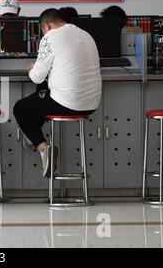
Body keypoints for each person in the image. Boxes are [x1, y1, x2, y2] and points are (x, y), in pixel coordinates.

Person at [13, 9, 102, 178]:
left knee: (21, 108)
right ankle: (32, 133)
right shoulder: (85, 34)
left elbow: (37, 77)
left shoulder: (50, 36)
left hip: (67, 103)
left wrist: (31, 68)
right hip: (91, 104)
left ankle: (42, 147)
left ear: (46, 25)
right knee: (42, 93)